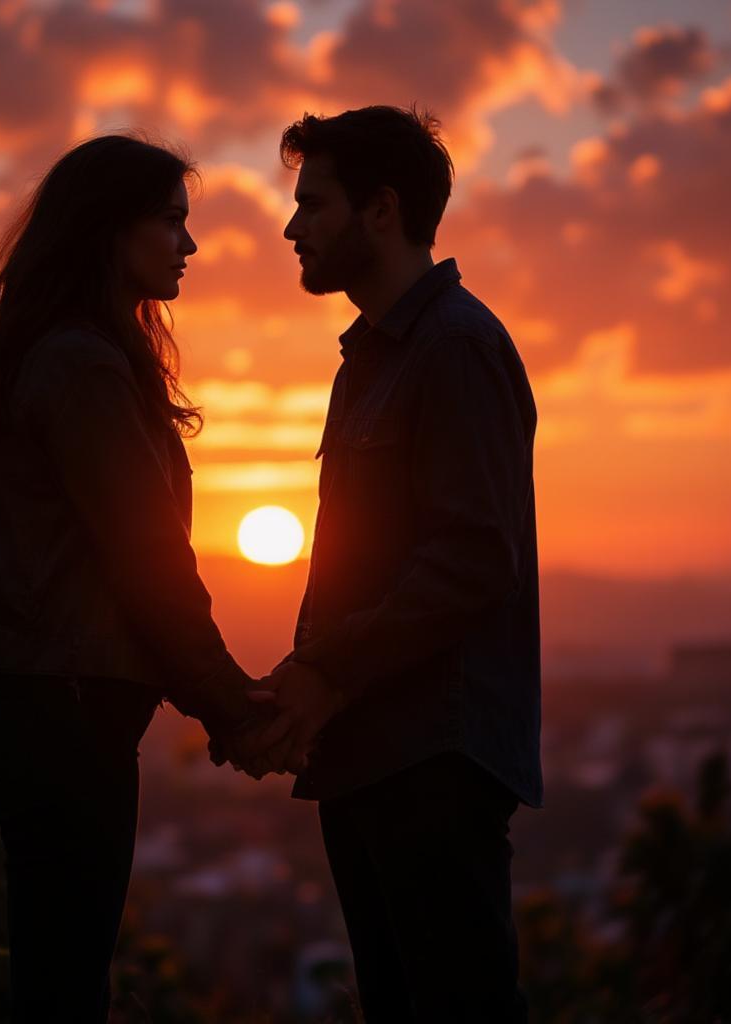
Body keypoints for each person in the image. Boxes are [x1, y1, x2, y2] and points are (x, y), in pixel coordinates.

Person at [0, 134, 272, 1023]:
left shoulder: (72, 353)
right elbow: (148, 560)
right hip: (62, 723)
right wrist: (234, 707)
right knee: (66, 995)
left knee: (59, 983)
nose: (189, 246)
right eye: (171, 223)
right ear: (106, 231)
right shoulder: (80, 362)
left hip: (47, 716)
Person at [221, 106, 543, 1021]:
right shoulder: (370, 359)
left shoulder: (456, 349)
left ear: (382, 210)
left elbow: (475, 561)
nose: (291, 228)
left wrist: (324, 671)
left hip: (433, 761)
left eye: (312, 204)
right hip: (370, 752)